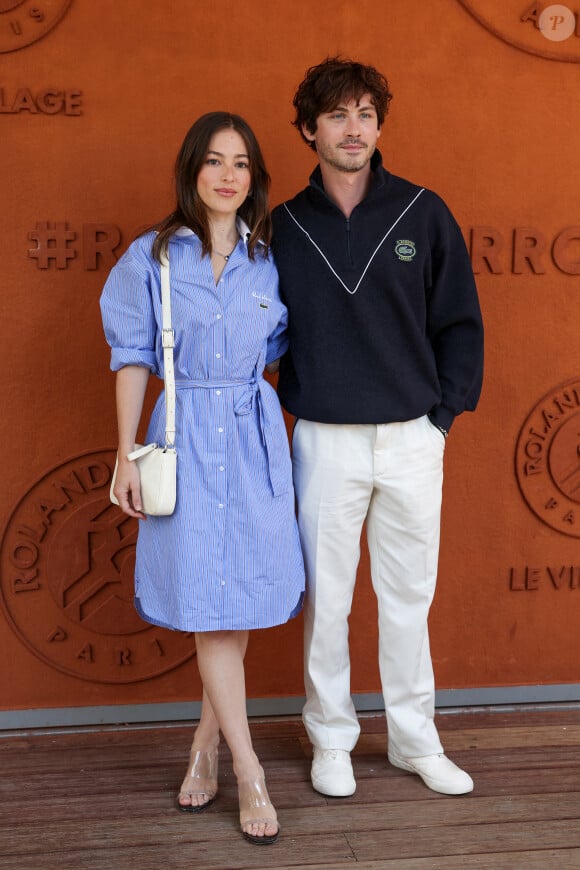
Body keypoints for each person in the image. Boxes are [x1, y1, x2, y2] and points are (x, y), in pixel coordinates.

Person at [271, 58, 484, 799]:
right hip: (324, 439)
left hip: (410, 438)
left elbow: (460, 322)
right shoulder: (284, 225)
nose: (353, 127)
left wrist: (441, 420)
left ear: (380, 125)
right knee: (327, 600)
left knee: (407, 598)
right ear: (309, 129)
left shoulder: (423, 211)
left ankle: (414, 741)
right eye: (337, 115)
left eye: (365, 113)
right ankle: (331, 738)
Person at [100, 112, 305, 845]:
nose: (228, 175)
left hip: (253, 440)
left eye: (241, 163)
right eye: (214, 161)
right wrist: (125, 452)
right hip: (184, 438)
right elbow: (131, 356)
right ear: (192, 171)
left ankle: (205, 744)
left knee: (237, 602)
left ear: (253, 177)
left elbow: (283, 345)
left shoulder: (270, 258)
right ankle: (248, 769)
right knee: (211, 606)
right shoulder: (150, 259)